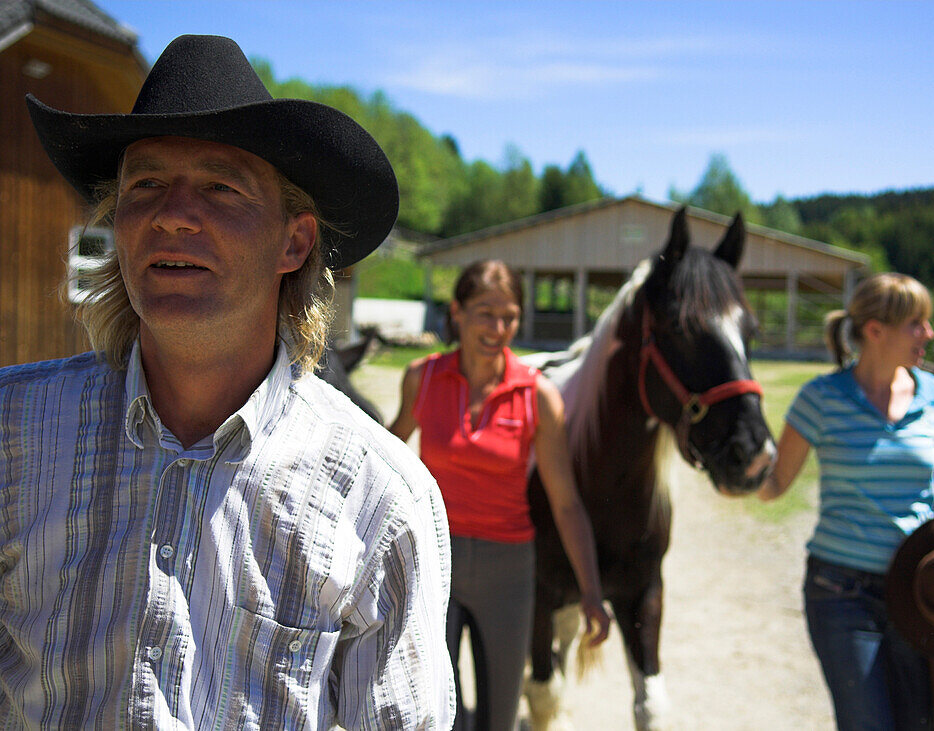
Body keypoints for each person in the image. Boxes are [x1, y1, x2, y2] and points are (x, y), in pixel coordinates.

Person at [1, 35, 454, 728]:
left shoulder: (380, 499)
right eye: (145, 184)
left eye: (220, 186)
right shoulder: (14, 434)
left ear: (293, 242)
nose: (173, 213)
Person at [756, 272, 934, 730]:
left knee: (919, 722)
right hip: (839, 593)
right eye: (916, 324)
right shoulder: (821, 398)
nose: (929, 334)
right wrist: (736, 478)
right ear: (875, 331)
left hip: (916, 586)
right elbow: (776, 482)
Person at [389, 260, 611, 731]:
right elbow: (384, 462)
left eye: (509, 316)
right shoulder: (422, 379)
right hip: (436, 564)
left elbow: (566, 501)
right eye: (485, 313)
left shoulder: (538, 397)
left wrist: (592, 591)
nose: (498, 328)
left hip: (508, 572)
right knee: (430, 711)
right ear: (458, 313)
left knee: (500, 717)